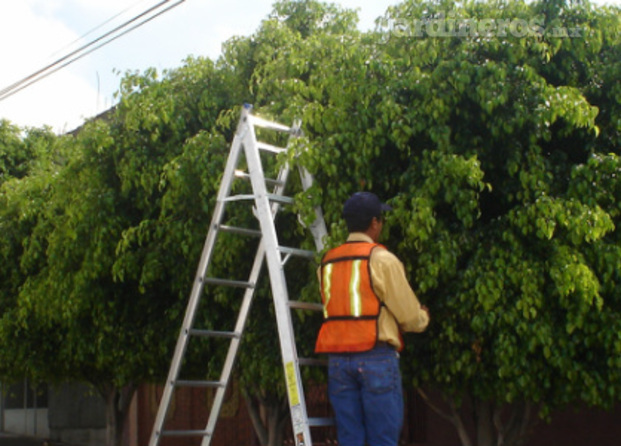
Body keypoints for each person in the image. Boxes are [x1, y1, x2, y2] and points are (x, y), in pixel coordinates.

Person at [315, 191, 430, 446]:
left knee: (350, 439)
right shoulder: (381, 260)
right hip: (375, 357)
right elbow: (409, 317)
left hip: (338, 361)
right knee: (383, 439)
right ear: (375, 223)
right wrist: (423, 317)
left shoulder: (327, 263)